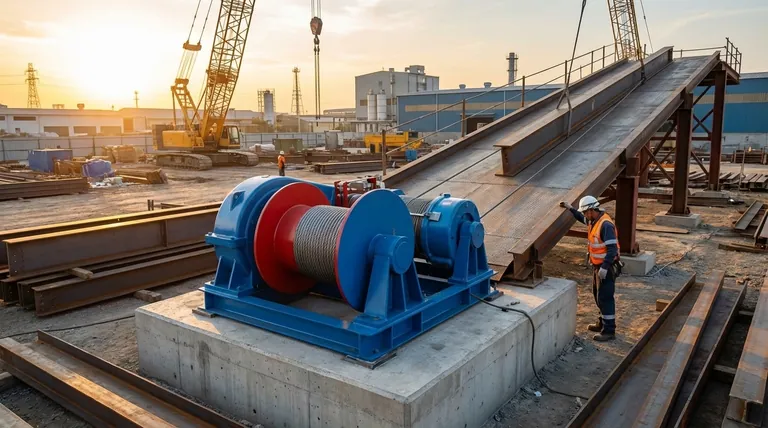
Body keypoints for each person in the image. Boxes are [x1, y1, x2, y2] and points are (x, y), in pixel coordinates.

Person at [560, 196, 620, 341]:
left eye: (586, 212)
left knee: (605, 297)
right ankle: (602, 323)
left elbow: (612, 249)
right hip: (597, 266)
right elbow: (581, 218)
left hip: (606, 267)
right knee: (598, 296)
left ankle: (609, 331)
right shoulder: (593, 221)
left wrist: (604, 267)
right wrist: (570, 208)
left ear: (592, 210)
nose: (585, 215)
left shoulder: (605, 225)